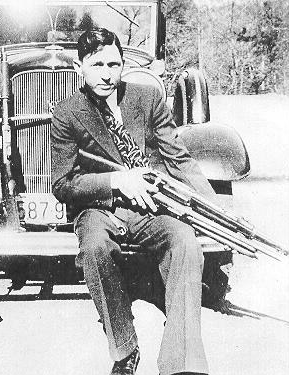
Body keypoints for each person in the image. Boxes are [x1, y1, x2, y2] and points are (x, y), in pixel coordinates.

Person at [51, 28, 216, 375]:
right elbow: (63, 184)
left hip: (149, 209)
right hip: (99, 208)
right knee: (95, 247)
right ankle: (125, 349)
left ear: (124, 65)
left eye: (114, 64)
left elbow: (180, 158)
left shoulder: (148, 98)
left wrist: (214, 206)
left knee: (185, 241)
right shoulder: (67, 112)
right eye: (97, 65)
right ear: (81, 66)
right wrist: (117, 181)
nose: (107, 73)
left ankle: (180, 363)